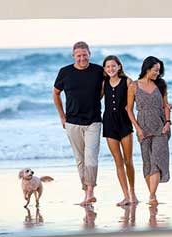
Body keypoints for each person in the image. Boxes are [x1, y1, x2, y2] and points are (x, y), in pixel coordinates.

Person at [53, 41, 105, 206]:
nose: (82, 58)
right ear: (73, 56)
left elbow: (105, 88)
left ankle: (90, 191)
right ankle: (86, 192)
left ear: (90, 53)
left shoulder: (98, 70)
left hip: (94, 120)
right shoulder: (65, 72)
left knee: (91, 157)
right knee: (80, 159)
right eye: (79, 55)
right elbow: (55, 94)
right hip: (72, 122)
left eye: (85, 54)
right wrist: (62, 116)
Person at [126, 56, 171, 206]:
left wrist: (168, 123)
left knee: (157, 160)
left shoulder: (161, 84)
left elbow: (166, 106)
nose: (157, 73)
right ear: (147, 69)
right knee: (147, 163)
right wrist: (137, 128)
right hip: (143, 128)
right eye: (155, 70)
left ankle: (151, 195)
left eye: (159, 71)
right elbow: (129, 110)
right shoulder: (133, 86)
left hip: (160, 127)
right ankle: (153, 195)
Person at [101, 55, 138, 206]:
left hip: (124, 123)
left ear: (119, 67)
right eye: (108, 67)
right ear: (104, 69)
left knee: (128, 161)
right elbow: (92, 99)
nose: (111, 69)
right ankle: (125, 196)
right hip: (109, 123)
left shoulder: (128, 81)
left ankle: (132, 192)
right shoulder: (104, 84)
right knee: (118, 162)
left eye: (113, 66)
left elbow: (136, 101)